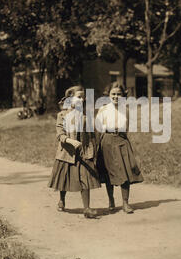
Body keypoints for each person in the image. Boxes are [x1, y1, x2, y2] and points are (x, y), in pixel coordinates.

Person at [48, 86, 100, 218]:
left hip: (83, 152)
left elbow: (91, 135)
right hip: (67, 152)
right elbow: (60, 134)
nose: (82, 100)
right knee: (63, 179)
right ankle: (62, 199)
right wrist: (72, 142)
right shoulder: (62, 115)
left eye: (83, 98)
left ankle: (87, 208)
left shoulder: (85, 117)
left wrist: (93, 148)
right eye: (79, 97)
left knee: (85, 179)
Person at [96, 82, 144, 214]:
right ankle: (111, 201)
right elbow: (99, 129)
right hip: (107, 141)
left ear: (123, 96)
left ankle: (125, 203)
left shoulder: (126, 110)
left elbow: (127, 128)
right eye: (113, 94)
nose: (116, 96)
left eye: (119, 94)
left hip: (122, 141)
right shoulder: (103, 110)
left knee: (125, 171)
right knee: (108, 172)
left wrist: (121, 137)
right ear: (108, 95)